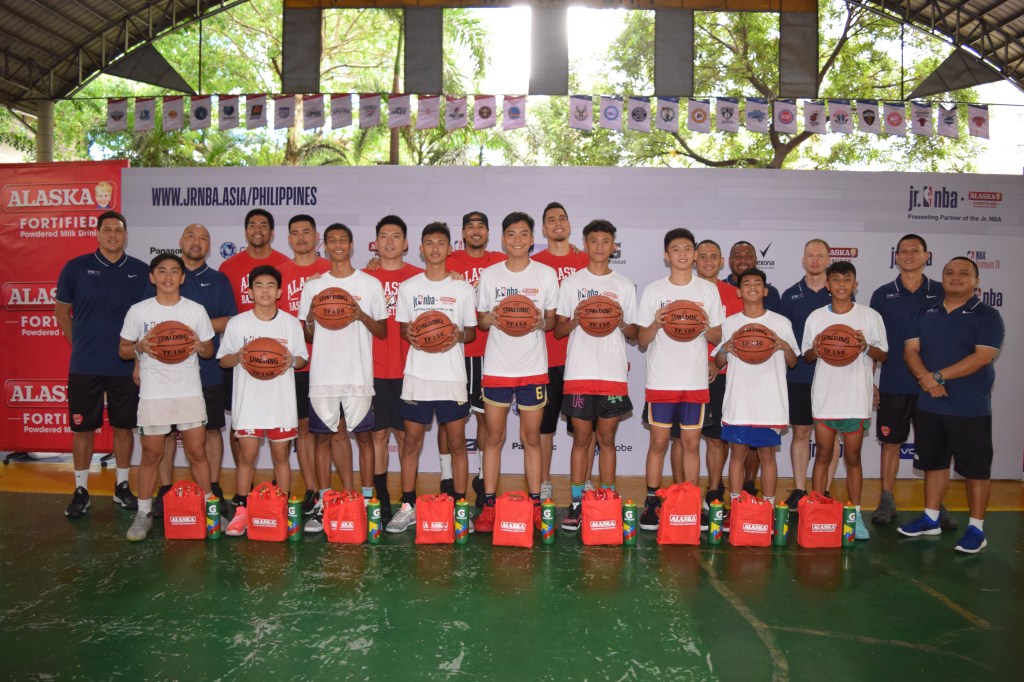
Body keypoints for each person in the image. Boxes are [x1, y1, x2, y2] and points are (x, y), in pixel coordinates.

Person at [897, 257, 1004, 554]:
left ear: (976, 281)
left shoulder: (987, 316)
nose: (955, 278)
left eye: (964, 273)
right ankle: (930, 518)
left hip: (969, 406)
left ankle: (976, 528)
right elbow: (910, 350)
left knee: (976, 470)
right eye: (949, 273)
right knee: (934, 463)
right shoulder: (925, 311)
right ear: (942, 278)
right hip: (930, 404)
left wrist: (937, 376)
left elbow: (982, 356)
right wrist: (927, 380)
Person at [55, 210, 150, 518]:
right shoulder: (75, 268)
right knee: (83, 428)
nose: (113, 235)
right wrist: (82, 346)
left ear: (125, 235)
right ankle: (81, 490)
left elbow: (147, 320)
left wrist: (136, 358)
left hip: (125, 366)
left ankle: (122, 486)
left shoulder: (140, 270)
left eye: (118, 230)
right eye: (107, 229)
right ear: (97, 234)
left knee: (124, 427)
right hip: (85, 365)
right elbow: (61, 313)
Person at [387, 222, 478, 533]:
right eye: (429, 243)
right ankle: (408, 504)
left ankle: (460, 505)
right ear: (421, 248)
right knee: (410, 442)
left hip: (451, 376)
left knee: (456, 443)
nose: (435, 248)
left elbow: (471, 331)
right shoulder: (410, 288)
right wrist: (410, 332)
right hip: (417, 375)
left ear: (449, 248)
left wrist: (458, 334)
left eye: (441, 242)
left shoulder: (463, 289)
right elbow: (402, 327)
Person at [118, 254, 215, 541]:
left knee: (197, 452)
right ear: (152, 277)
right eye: (162, 271)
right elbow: (123, 350)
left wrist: (199, 346)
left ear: (183, 278)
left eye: (175, 271)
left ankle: (210, 508)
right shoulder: (139, 311)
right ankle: (143, 513)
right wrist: (139, 346)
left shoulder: (196, 310)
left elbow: (209, 351)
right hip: (154, 394)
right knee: (151, 454)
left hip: (188, 391)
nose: (168, 276)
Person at [298, 223, 387, 533]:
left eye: (343, 240)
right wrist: (310, 317)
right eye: (332, 240)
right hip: (323, 376)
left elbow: (383, 331)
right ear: (325, 245)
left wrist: (361, 315)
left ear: (351, 245)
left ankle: (364, 501)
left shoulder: (370, 284)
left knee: (364, 438)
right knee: (322, 439)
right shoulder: (313, 287)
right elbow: (307, 336)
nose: (337, 245)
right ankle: (324, 502)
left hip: (358, 375)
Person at [473, 212, 558, 532]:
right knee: (493, 437)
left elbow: (550, 320)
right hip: (496, 367)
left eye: (524, 234)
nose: (518, 239)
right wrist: (492, 318)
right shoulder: (490, 274)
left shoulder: (546, 275)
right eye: (512, 234)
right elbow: (480, 320)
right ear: (503, 239)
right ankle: (490, 507)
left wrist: (540, 323)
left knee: (531, 438)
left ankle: (535, 504)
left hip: (533, 368)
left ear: (532, 238)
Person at [554, 219, 638, 531]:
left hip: (612, 373)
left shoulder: (625, 285)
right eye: (594, 241)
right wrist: (577, 319)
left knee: (607, 438)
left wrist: (617, 321)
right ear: (585, 244)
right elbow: (560, 330)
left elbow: (633, 333)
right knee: (582, 439)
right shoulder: (572, 283)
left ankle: (606, 497)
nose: (600, 246)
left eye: (606, 241)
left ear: (614, 246)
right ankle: (576, 503)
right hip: (579, 372)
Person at [637, 229, 723, 531]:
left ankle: (690, 500)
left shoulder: (708, 291)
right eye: (676, 249)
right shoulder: (653, 291)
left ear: (695, 254)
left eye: (688, 249)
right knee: (658, 442)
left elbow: (717, 336)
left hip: (694, 380)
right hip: (661, 379)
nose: (683, 254)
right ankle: (652, 501)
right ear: (666, 255)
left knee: (690, 443)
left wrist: (704, 324)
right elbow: (642, 340)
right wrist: (656, 322)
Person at [869, 234, 954, 530]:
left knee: (935, 446)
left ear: (926, 256)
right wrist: (871, 381)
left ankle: (936, 504)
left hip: (932, 384)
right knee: (890, 443)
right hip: (894, 382)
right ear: (896, 256)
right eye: (903, 251)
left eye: (914, 251)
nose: (908, 255)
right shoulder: (881, 295)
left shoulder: (943, 291)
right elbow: (874, 343)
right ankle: (887, 498)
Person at [153, 224, 236, 518]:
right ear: (180, 242)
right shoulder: (166, 277)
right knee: (165, 433)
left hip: (207, 369)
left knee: (212, 430)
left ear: (209, 246)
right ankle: (164, 489)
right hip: (164, 374)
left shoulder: (218, 280)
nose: (196, 242)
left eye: (203, 238)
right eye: (191, 236)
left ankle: (211, 487)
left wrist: (189, 331)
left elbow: (229, 320)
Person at [218, 265, 308, 537]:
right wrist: (241, 356)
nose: (265, 290)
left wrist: (289, 360)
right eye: (259, 285)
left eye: (271, 285)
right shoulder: (238, 323)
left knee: (281, 457)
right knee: (247, 457)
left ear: (280, 291)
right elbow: (223, 360)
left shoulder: (290, 324)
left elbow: (302, 358)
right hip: (249, 403)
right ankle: (242, 511)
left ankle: (280, 508)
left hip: (280, 403)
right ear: (250, 292)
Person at [802, 261, 888, 540]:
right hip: (825, 397)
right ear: (827, 285)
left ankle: (855, 515)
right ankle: (815, 510)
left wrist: (865, 346)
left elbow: (883, 355)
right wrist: (816, 347)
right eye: (836, 280)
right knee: (823, 455)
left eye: (847, 280)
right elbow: (807, 357)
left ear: (855, 284)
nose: (841, 285)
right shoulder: (816, 317)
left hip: (855, 398)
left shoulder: (870, 316)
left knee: (853, 458)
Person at [713, 268, 798, 521]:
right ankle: (737, 507)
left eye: (757, 283)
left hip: (770, 401)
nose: (751, 287)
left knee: (767, 455)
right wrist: (726, 349)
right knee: (737, 454)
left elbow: (793, 362)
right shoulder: (730, 323)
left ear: (765, 290)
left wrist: (783, 345)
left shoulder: (781, 323)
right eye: (746, 283)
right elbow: (718, 363)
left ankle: (769, 509)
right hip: (739, 400)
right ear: (739, 291)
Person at [219, 209, 289, 482]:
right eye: (252, 225)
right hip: (243, 359)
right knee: (241, 428)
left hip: (276, 362)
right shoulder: (229, 267)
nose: (257, 229)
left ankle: (276, 490)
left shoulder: (284, 263)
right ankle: (243, 492)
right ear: (246, 232)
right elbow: (226, 314)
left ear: (272, 232)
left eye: (263, 225)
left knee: (280, 434)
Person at [442, 211, 506, 504]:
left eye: (482, 226)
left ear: (488, 233)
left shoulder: (499, 262)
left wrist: (575, 252)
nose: (476, 231)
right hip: (452, 352)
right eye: (471, 226)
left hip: (488, 354)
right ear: (463, 233)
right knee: (448, 420)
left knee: (484, 419)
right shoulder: (448, 260)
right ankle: (446, 477)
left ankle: (482, 478)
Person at [363, 215, 423, 526]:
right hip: (372, 371)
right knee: (377, 436)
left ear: (406, 243)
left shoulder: (420, 278)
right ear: (376, 242)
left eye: (396, 236)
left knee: (406, 436)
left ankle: (407, 501)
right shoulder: (363, 278)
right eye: (384, 236)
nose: (389, 241)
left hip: (409, 370)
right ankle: (381, 497)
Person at [530, 202, 590, 503]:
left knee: (585, 427)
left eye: (562, 218)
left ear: (569, 225)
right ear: (542, 229)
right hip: (547, 358)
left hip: (584, 360)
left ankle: (585, 482)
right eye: (551, 219)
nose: (557, 223)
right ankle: (543, 482)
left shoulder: (587, 260)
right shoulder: (533, 264)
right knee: (545, 427)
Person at [277, 214, 330, 515]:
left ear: (317, 236)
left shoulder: (330, 271)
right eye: (294, 232)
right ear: (288, 239)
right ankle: (311, 490)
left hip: (329, 364)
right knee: (304, 430)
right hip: (295, 365)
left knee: (333, 432)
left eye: (306, 232)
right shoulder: (281, 274)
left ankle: (333, 492)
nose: (300, 237)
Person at [777, 239, 835, 510]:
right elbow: (781, 339)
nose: (814, 260)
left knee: (829, 435)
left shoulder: (839, 293)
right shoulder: (790, 295)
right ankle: (800, 489)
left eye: (820, 256)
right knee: (801, 433)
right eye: (810, 256)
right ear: (803, 260)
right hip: (799, 375)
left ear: (828, 260)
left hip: (833, 376)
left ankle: (823, 490)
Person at [695, 239, 742, 521]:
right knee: (683, 440)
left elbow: (736, 335)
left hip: (723, 374)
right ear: (694, 260)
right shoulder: (685, 290)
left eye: (714, 256)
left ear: (722, 261)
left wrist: (714, 359)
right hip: (686, 376)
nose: (709, 261)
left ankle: (714, 492)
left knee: (716, 439)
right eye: (703, 256)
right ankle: (686, 493)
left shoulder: (734, 294)